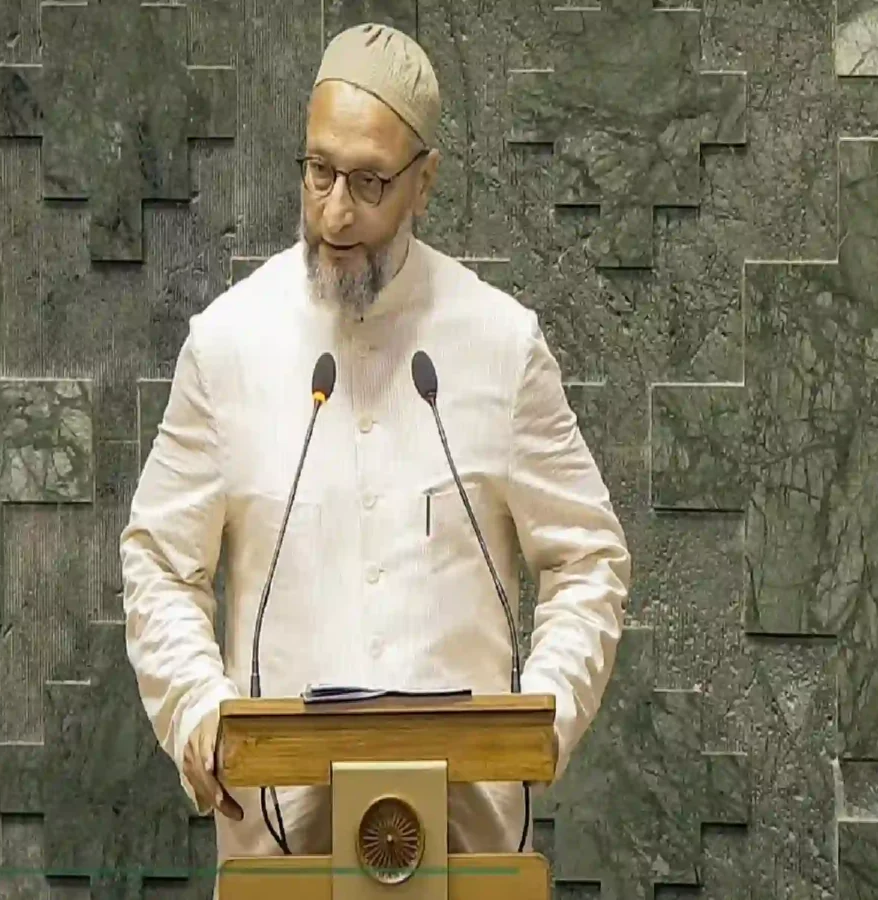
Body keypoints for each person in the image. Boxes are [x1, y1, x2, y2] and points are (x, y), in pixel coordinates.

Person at [120, 21, 632, 875]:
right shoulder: (228, 344)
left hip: (466, 850)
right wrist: (200, 709)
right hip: (279, 845)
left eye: (368, 182)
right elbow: (159, 564)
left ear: (424, 183)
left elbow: (589, 558)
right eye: (319, 171)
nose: (334, 212)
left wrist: (540, 716)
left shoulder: (500, 345)